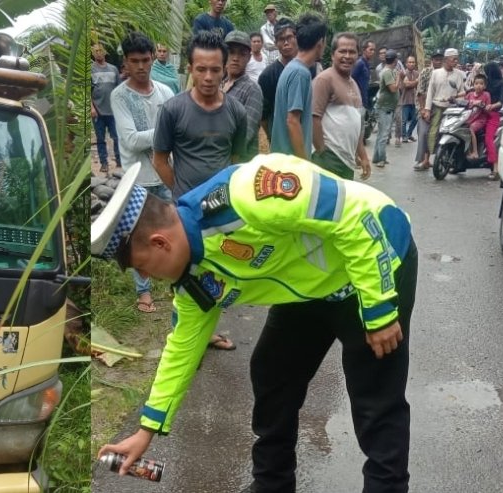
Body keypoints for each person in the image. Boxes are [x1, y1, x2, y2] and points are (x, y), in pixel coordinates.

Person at [94, 153, 418, 493]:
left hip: (376, 256)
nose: (145, 276)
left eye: (141, 267)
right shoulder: (193, 281)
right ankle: (272, 484)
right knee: (272, 370)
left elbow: (355, 217)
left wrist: (379, 310)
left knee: (375, 396)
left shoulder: (249, 193)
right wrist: (147, 429)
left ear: (160, 242)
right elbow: (182, 348)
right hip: (313, 287)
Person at [153, 30, 247, 350]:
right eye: (201, 69)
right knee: (183, 275)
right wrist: (184, 197)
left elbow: (236, 162)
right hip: (185, 212)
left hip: (223, 211)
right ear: (190, 69)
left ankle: (206, 332)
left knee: (219, 273)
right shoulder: (173, 110)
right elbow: (160, 159)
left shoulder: (236, 112)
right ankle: (182, 336)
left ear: (225, 69)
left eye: (215, 70)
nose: (208, 77)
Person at [110, 32, 176, 312]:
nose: (141, 66)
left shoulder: (166, 92)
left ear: (153, 59)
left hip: (166, 174)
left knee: (174, 229)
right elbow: (130, 140)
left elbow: (177, 134)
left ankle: (177, 283)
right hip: (137, 179)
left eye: (145, 60)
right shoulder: (120, 96)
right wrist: (164, 132)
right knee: (137, 236)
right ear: (125, 62)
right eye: (134, 61)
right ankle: (143, 292)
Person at [311, 32, 371, 181]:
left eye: (352, 52)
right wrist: (321, 152)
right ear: (332, 55)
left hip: (347, 161)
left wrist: (363, 156)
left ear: (357, 55)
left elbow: (356, 124)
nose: (347, 56)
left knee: (342, 203)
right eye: (342, 51)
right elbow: (313, 118)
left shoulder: (354, 84)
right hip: (329, 158)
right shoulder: (324, 79)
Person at [271, 13, 328, 159]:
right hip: (291, 165)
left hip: (284, 159)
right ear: (320, 43)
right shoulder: (300, 73)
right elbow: (292, 121)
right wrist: (304, 163)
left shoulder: (292, 68)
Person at [223, 30, 264, 162]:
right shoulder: (218, 85)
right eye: (231, 52)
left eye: (242, 53)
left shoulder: (252, 90)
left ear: (248, 57)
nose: (235, 58)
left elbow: (247, 133)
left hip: (240, 165)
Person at [258, 17, 297, 141]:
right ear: (276, 43)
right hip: (280, 138)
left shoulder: (310, 69)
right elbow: (264, 115)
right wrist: (272, 138)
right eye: (281, 39)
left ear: (297, 38)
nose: (286, 43)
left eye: (289, 37)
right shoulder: (268, 75)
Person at [422, 48, 466, 160]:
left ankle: (450, 157)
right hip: (437, 107)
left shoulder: (459, 74)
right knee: (433, 132)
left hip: (452, 109)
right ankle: (429, 157)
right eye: (453, 59)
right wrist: (427, 109)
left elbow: (462, 92)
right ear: (446, 60)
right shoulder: (436, 73)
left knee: (452, 133)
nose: (456, 61)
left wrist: (456, 99)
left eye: (457, 59)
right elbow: (430, 92)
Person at [91, 43, 122, 174]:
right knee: (100, 139)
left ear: (105, 52)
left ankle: (120, 161)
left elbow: (119, 89)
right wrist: (92, 108)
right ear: (92, 53)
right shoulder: (91, 70)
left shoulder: (113, 69)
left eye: (100, 50)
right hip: (98, 111)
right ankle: (104, 163)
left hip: (113, 111)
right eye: (95, 51)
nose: (98, 53)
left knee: (117, 137)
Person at [413, 49, 445, 171]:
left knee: (434, 134)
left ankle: (427, 160)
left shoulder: (444, 74)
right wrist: (423, 109)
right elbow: (420, 92)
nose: (438, 62)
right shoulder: (426, 72)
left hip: (438, 108)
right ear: (432, 60)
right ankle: (421, 160)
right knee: (423, 133)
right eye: (436, 60)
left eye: (440, 60)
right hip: (424, 107)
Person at [372, 50, 399, 168]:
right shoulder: (388, 72)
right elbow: (393, 89)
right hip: (385, 108)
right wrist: (399, 78)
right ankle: (381, 159)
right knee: (384, 135)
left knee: (381, 134)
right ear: (395, 60)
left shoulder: (389, 71)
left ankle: (376, 157)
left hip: (386, 106)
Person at [482, 61, 503, 179]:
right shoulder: (485, 83)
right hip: (481, 112)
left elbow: (501, 101)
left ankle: (495, 168)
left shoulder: (501, 84)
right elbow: (474, 91)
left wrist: (492, 106)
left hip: (493, 114)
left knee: (488, 139)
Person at [464, 73, 491, 160]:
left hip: (480, 119)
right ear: (473, 85)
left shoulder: (486, 95)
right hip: (469, 117)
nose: (478, 86)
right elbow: (464, 103)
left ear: (485, 86)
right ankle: (466, 151)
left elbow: (488, 108)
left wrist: (482, 105)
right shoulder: (470, 94)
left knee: (471, 128)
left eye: (481, 84)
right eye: (476, 83)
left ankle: (475, 152)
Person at [399, 55, 419, 143]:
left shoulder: (417, 73)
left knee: (416, 119)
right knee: (404, 120)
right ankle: (404, 136)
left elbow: (419, 86)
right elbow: (406, 85)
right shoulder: (403, 73)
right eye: (410, 62)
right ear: (406, 64)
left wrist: (412, 83)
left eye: (413, 62)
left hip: (415, 100)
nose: (411, 64)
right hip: (405, 100)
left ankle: (409, 134)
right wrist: (416, 82)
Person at [352, 39, 375, 115]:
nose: (373, 52)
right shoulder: (359, 64)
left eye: (374, 50)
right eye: (370, 49)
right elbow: (351, 80)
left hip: (364, 101)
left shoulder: (366, 64)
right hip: (358, 103)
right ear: (364, 50)